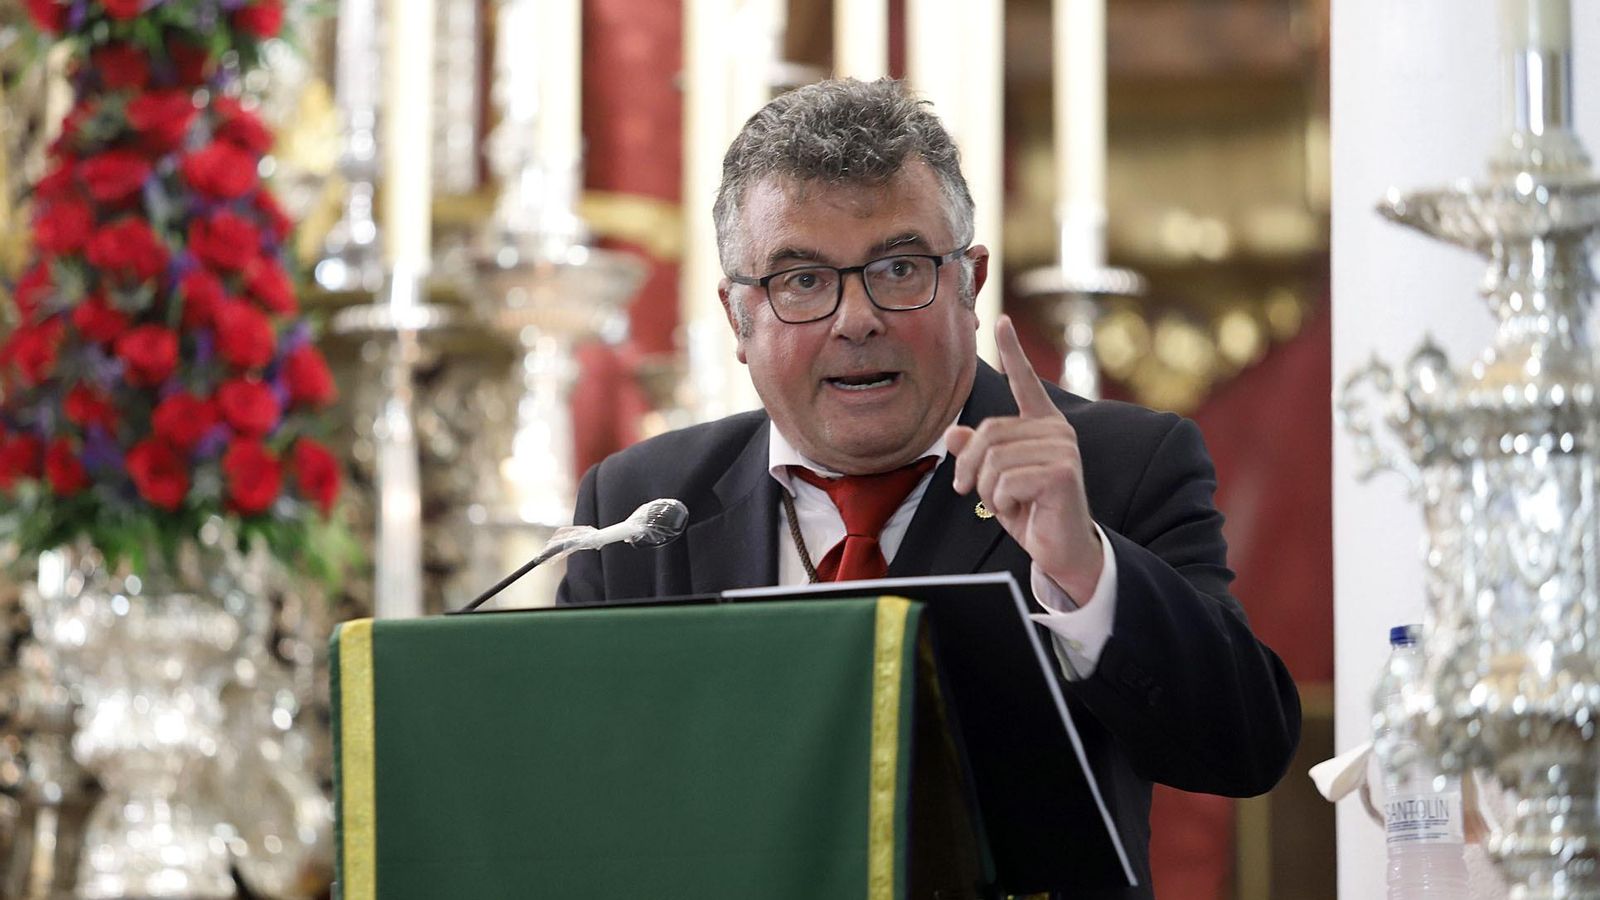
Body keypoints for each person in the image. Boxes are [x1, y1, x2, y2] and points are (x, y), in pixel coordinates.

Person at [558, 77, 1300, 898]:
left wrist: (1085, 567)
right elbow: (577, 800)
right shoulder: (641, 505)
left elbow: (1244, 748)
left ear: (970, 283)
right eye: (802, 280)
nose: (855, 319)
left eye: (899, 267)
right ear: (739, 317)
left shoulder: (1115, 466)